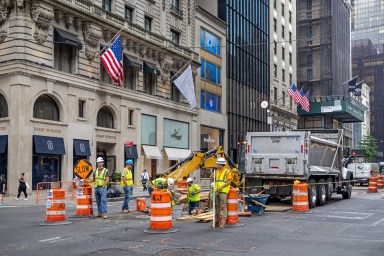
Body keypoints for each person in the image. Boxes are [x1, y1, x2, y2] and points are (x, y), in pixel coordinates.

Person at [214, 158, 232, 228]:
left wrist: (222, 187)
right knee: (216, 206)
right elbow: (217, 181)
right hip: (216, 190)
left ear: (221, 164)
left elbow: (229, 181)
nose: (216, 165)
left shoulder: (227, 171)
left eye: (217, 164)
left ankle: (223, 222)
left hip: (223, 191)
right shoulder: (217, 172)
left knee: (224, 206)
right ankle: (216, 221)